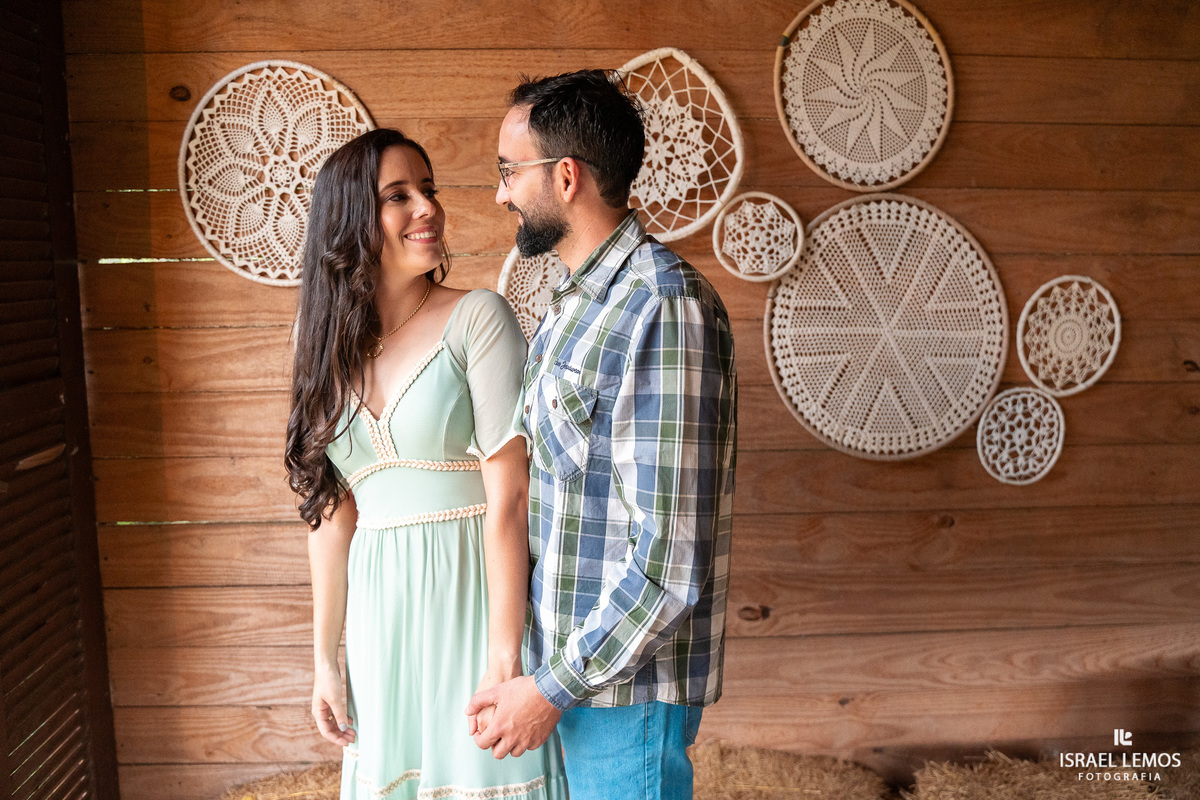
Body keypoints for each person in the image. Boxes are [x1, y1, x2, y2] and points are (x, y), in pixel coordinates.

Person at [465, 71, 737, 800]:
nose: (500, 194)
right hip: (578, 681)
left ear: (565, 176)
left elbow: (668, 558)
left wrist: (549, 688)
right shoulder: (576, 303)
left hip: (626, 695)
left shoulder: (661, 306)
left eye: (507, 172)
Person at [285, 128, 567, 800]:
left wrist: (504, 657)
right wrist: (327, 662)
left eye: (429, 189)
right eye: (398, 196)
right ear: (351, 219)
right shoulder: (321, 345)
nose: (427, 207)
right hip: (381, 613)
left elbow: (510, 496)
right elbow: (330, 514)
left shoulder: (478, 319)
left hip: (472, 595)